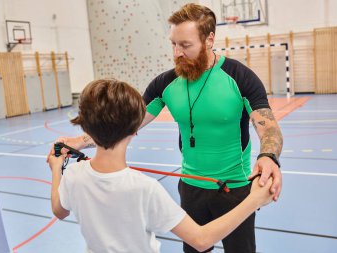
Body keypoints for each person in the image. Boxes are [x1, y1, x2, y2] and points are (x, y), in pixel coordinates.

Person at [48, 3, 283, 253]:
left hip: (234, 187)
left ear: (209, 39)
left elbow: (268, 127)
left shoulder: (240, 77)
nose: (177, 53)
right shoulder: (165, 83)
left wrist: (268, 156)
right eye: (173, 44)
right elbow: (123, 122)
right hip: (191, 186)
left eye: (185, 45)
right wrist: (81, 141)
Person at [48, 79, 274, 253]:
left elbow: (59, 210)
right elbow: (201, 239)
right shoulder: (144, 188)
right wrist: (254, 199)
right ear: (135, 129)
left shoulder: (75, 174)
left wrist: (57, 168)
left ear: (86, 127)